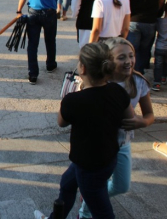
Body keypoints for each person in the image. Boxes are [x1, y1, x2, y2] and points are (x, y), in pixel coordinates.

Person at [34, 43, 134, 219]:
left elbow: (61, 122)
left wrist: (70, 96)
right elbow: (130, 118)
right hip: (107, 158)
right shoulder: (117, 91)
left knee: (102, 212)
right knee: (67, 184)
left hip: (89, 165)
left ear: (83, 68)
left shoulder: (74, 100)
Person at [77, 38, 154, 219]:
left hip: (122, 143)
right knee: (84, 184)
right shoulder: (98, 83)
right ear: (108, 61)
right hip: (97, 147)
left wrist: (142, 122)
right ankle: (86, 212)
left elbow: (150, 115)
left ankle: (90, 197)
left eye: (131, 55)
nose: (128, 61)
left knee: (121, 186)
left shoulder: (138, 82)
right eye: (121, 57)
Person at [16, 0, 100, 84]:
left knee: (32, 44)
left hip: (33, 13)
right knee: (50, 40)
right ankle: (50, 64)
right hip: (49, 13)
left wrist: (19, 11)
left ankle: (33, 73)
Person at [153, 7, 167, 91]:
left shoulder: (160, 21)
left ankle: (157, 83)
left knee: (158, 65)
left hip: (160, 46)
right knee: (165, 63)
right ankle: (163, 77)